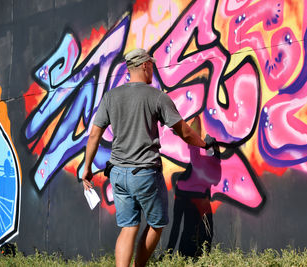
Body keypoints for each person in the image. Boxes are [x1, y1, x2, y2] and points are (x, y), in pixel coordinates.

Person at [82, 48, 216, 267]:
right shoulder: (156, 96)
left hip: (117, 173)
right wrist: (204, 143)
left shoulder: (111, 97)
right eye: (151, 65)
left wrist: (86, 167)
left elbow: (94, 134)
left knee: (128, 227)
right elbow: (184, 131)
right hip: (144, 173)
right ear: (145, 65)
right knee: (157, 224)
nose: (153, 68)